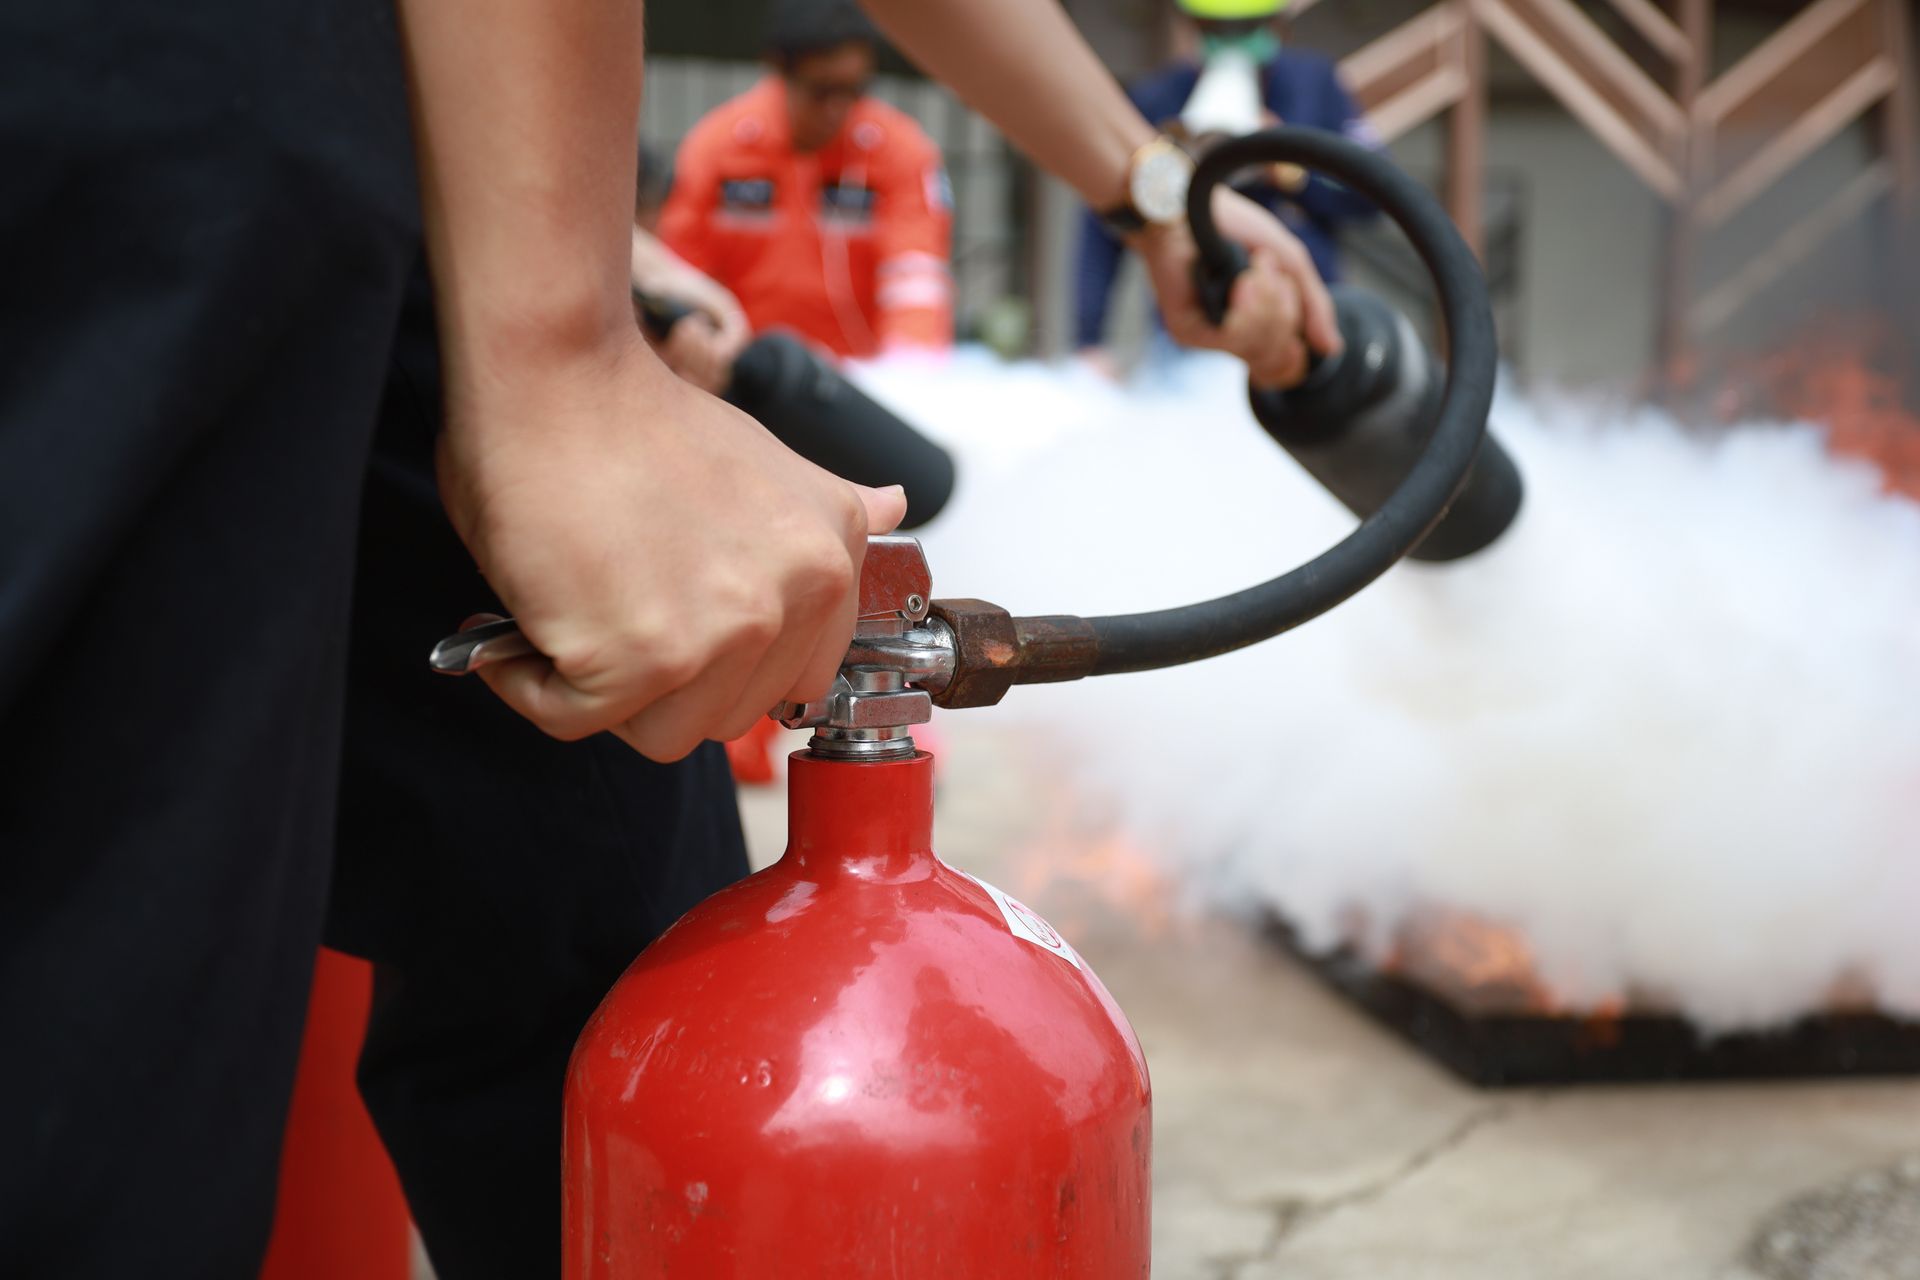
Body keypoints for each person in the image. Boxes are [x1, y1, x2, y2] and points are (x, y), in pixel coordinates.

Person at [0, 1, 1335, 1278]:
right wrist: (559, 356)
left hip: (374, 151)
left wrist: (1149, 188)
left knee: (597, 901)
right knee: (101, 1063)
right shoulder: (722, 149)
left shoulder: (894, 157)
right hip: (145, 120)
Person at [1076, 0, 1379, 372]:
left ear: (1278, 24)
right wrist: (1088, 339)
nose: (1229, 40)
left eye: (1246, 27)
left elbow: (1371, 194)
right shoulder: (1160, 98)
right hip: (1192, 337)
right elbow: (1105, 219)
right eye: (1212, 27)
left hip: (1305, 325)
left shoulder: (1316, 87)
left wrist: (1290, 170)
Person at [659, 0, 957, 359]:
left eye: (854, 90)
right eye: (822, 91)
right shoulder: (718, 148)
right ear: (779, 70)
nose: (837, 110)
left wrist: (909, 373)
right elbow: (679, 275)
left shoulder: (900, 151)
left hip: (858, 383)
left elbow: (916, 279)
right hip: (741, 377)